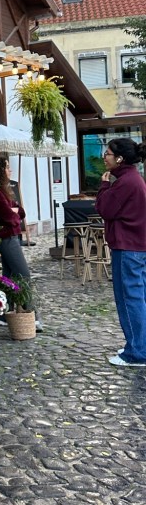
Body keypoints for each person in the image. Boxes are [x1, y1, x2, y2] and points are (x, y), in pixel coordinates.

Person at [95, 137, 146, 367]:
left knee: (129, 299)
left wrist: (104, 185)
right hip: (136, 246)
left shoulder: (125, 182)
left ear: (119, 158)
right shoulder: (133, 179)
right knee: (138, 298)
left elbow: (105, 209)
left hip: (127, 248)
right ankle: (139, 345)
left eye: (107, 153)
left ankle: (136, 353)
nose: (104, 157)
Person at [0, 156, 43, 331]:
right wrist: (14, 213)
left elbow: (20, 211)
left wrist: (14, 212)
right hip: (6, 238)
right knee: (23, 275)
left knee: (8, 278)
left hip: (11, 236)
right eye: (7, 167)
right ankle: (31, 315)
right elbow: (9, 217)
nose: (10, 170)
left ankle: (2, 315)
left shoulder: (3, 190)